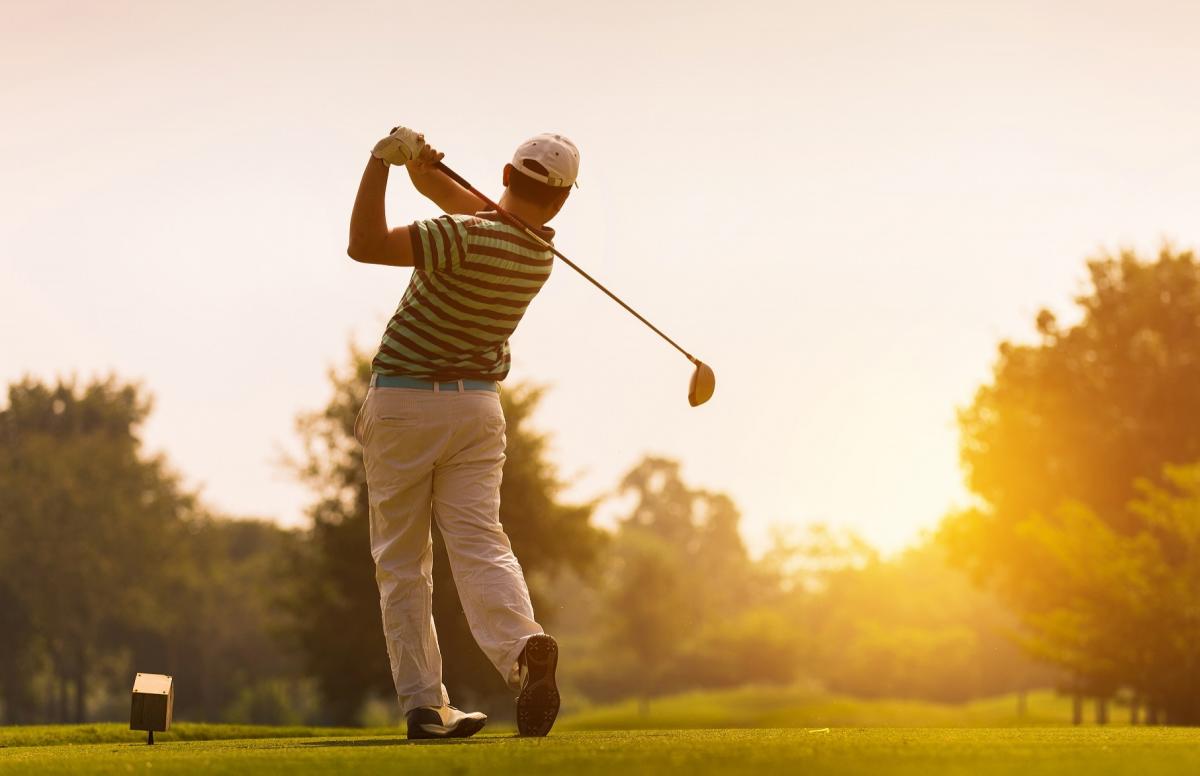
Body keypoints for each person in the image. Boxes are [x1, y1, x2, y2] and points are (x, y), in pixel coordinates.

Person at [346, 125, 579, 739]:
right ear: (561, 203)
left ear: (505, 175)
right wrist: (423, 169)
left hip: (403, 403)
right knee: (481, 543)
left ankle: (424, 705)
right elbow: (472, 210)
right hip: (476, 409)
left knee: (402, 561)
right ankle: (523, 647)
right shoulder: (537, 253)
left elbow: (364, 244)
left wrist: (380, 164)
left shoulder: (460, 237)